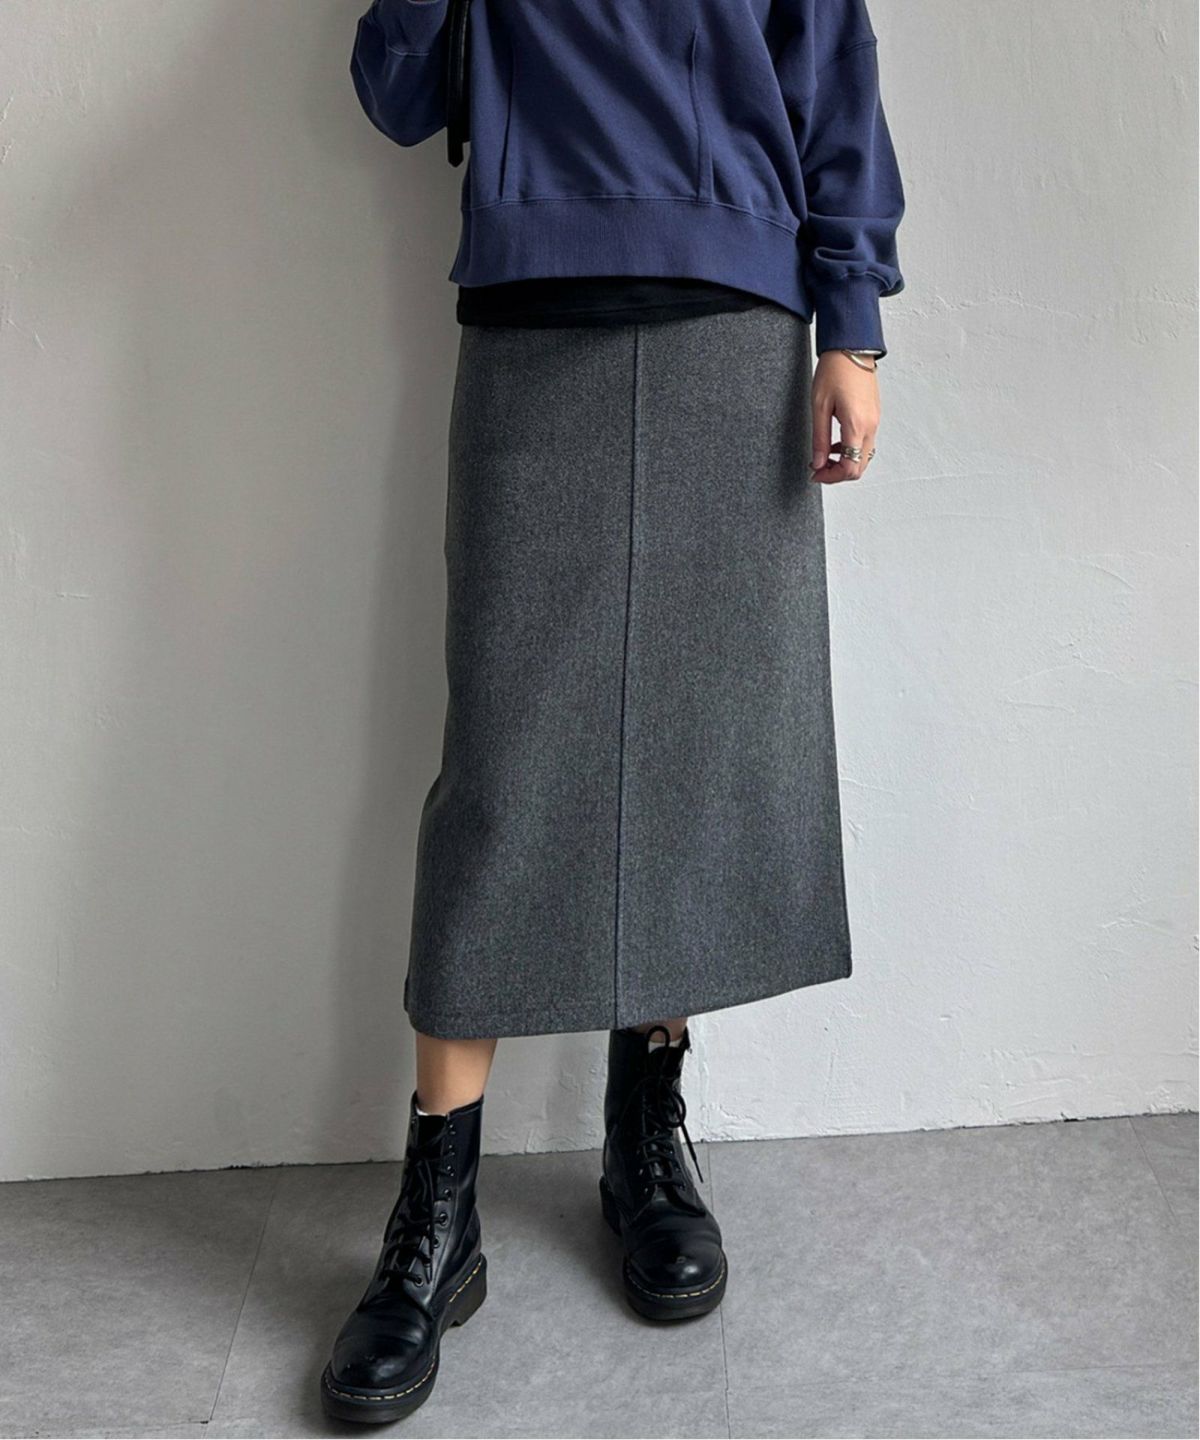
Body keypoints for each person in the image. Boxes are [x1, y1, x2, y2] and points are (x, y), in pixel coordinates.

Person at [323, 0, 905, 1422]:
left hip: (733, 310)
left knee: (691, 744)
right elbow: (396, 93)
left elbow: (829, 64)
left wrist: (853, 322)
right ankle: (438, 1208)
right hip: (536, 304)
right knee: (504, 775)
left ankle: (645, 1135)